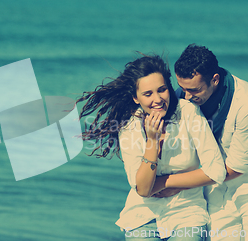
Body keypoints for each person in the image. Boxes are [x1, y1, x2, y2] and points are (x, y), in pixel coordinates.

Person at [77, 54, 227, 240]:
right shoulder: (129, 125)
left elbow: (216, 171)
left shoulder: (188, 112)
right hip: (142, 215)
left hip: (187, 213)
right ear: (135, 98)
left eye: (162, 90)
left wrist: (167, 183)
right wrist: (152, 141)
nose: (157, 99)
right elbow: (143, 188)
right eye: (148, 94)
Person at [169, 44, 248, 241]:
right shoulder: (184, 96)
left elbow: (236, 167)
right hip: (215, 189)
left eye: (194, 90)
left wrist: (171, 184)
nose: (186, 96)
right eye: (182, 88)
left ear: (215, 79)